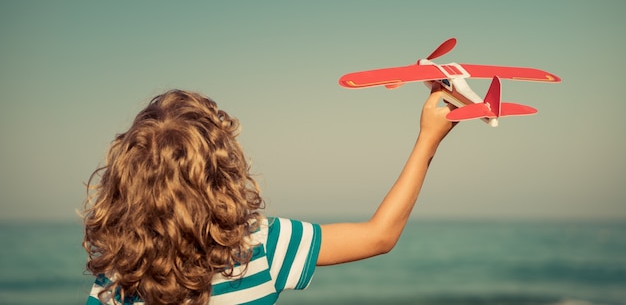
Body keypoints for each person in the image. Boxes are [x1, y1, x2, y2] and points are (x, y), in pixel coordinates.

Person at [83, 86, 456, 305]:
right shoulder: (260, 246)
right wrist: (427, 140)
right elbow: (380, 235)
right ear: (223, 172)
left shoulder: (117, 281)